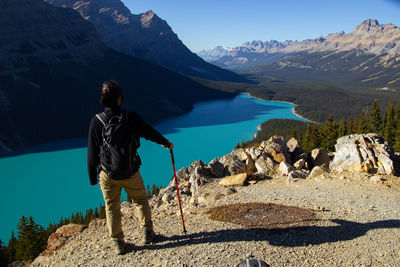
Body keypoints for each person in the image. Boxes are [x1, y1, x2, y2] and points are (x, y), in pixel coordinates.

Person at [87, 80, 173, 255]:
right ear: (120, 98)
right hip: (130, 170)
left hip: (108, 174)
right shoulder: (129, 117)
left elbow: (92, 150)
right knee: (140, 200)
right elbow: (148, 131)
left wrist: (92, 177)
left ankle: (118, 242)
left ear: (102, 99)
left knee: (111, 207)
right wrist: (165, 142)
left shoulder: (97, 121)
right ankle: (148, 233)